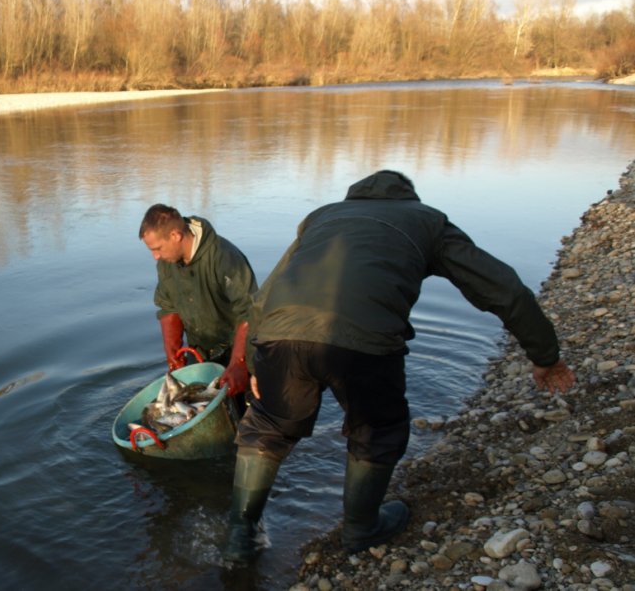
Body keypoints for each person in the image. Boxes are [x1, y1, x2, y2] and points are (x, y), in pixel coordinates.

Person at [223, 169, 576, 562]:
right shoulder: (427, 220)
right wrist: (545, 356)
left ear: (353, 197)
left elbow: (264, 296)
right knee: (380, 426)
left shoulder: (322, 216)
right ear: (409, 198)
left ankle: (242, 536)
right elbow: (504, 288)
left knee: (269, 426)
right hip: (363, 340)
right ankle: (361, 528)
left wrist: (255, 363)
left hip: (279, 334)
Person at [139, 204, 257, 400]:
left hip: (237, 348)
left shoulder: (224, 257)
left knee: (245, 411)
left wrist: (238, 363)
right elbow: (168, 306)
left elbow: (250, 312)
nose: (155, 256)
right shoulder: (167, 263)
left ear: (176, 235)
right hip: (200, 351)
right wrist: (174, 357)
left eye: (158, 248)